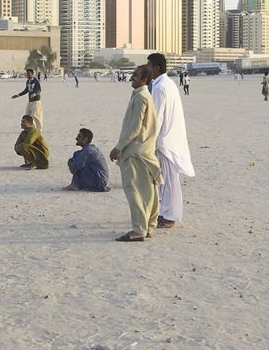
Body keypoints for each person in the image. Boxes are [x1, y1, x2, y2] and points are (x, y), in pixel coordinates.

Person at [110, 65, 161, 242]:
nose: (131, 78)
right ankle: (149, 227)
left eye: (135, 76)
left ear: (144, 80)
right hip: (145, 150)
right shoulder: (143, 95)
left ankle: (139, 230)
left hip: (136, 152)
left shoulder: (141, 97)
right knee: (148, 191)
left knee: (136, 191)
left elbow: (134, 128)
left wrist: (118, 147)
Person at [148, 53, 194, 228]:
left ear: (157, 68)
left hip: (164, 140)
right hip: (169, 137)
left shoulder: (160, 87)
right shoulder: (167, 83)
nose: (149, 70)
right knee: (166, 180)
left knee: (167, 181)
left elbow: (156, 117)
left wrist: (150, 141)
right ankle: (165, 212)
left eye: (150, 66)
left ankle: (169, 216)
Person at [64, 127, 109, 191]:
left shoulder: (88, 151)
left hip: (98, 183)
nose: (76, 138)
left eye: (79, 136)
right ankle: (75, 184)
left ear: (85, 139)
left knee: (79, 163)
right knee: (77, 155)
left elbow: (74, 168)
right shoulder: (89, 149)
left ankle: (76, 184)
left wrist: (70, 163)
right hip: (99, 181)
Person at [11, 67, 44, 131]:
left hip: (36, 101)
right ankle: (29, 128)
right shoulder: (28, 81)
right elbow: (26, 90)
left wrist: (34, 94)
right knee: (27, 115)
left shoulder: (36, 81)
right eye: (27, 74)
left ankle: (39, 129)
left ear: (32, 74)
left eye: (29, 73)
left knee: (36, 116)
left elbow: (39, 90)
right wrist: (18, 95)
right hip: (30, 101)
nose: (27, 75)